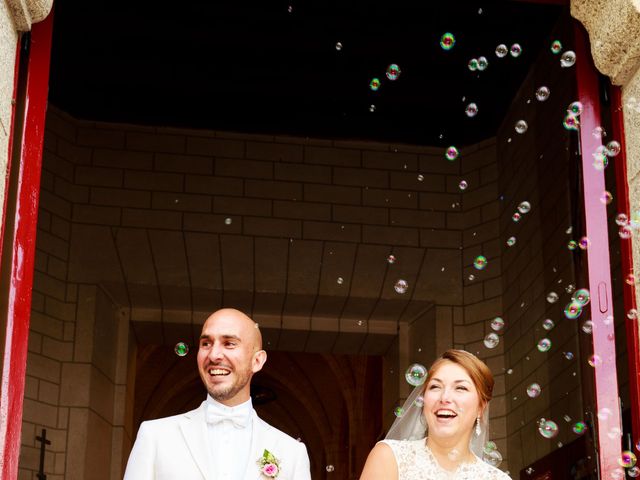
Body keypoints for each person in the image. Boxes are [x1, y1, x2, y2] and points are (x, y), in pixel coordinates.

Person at [123, 308, 311, 480]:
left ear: (257, 361)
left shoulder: (292, 454)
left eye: (229, 343)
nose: (213, 355)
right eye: (206, 343)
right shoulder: (155, 436)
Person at [360, 349, 511, 480]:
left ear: (481, 407)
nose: (444, 398)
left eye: (460, 388)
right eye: (435, 386)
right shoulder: (389, 457)